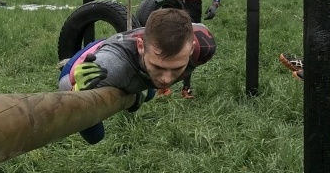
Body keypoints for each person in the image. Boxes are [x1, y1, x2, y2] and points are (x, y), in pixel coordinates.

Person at [59, 9, 216, 144]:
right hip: (81, 67)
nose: (166, 79)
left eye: (176, 68)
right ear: (141, 47)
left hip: (134, 61)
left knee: (148, 93)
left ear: (192, 48)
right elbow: (66, 94)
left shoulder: (204, 47)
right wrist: (80, 93)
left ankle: (144, 85)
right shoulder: (111, 68)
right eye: (158, 67)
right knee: (96, 136)